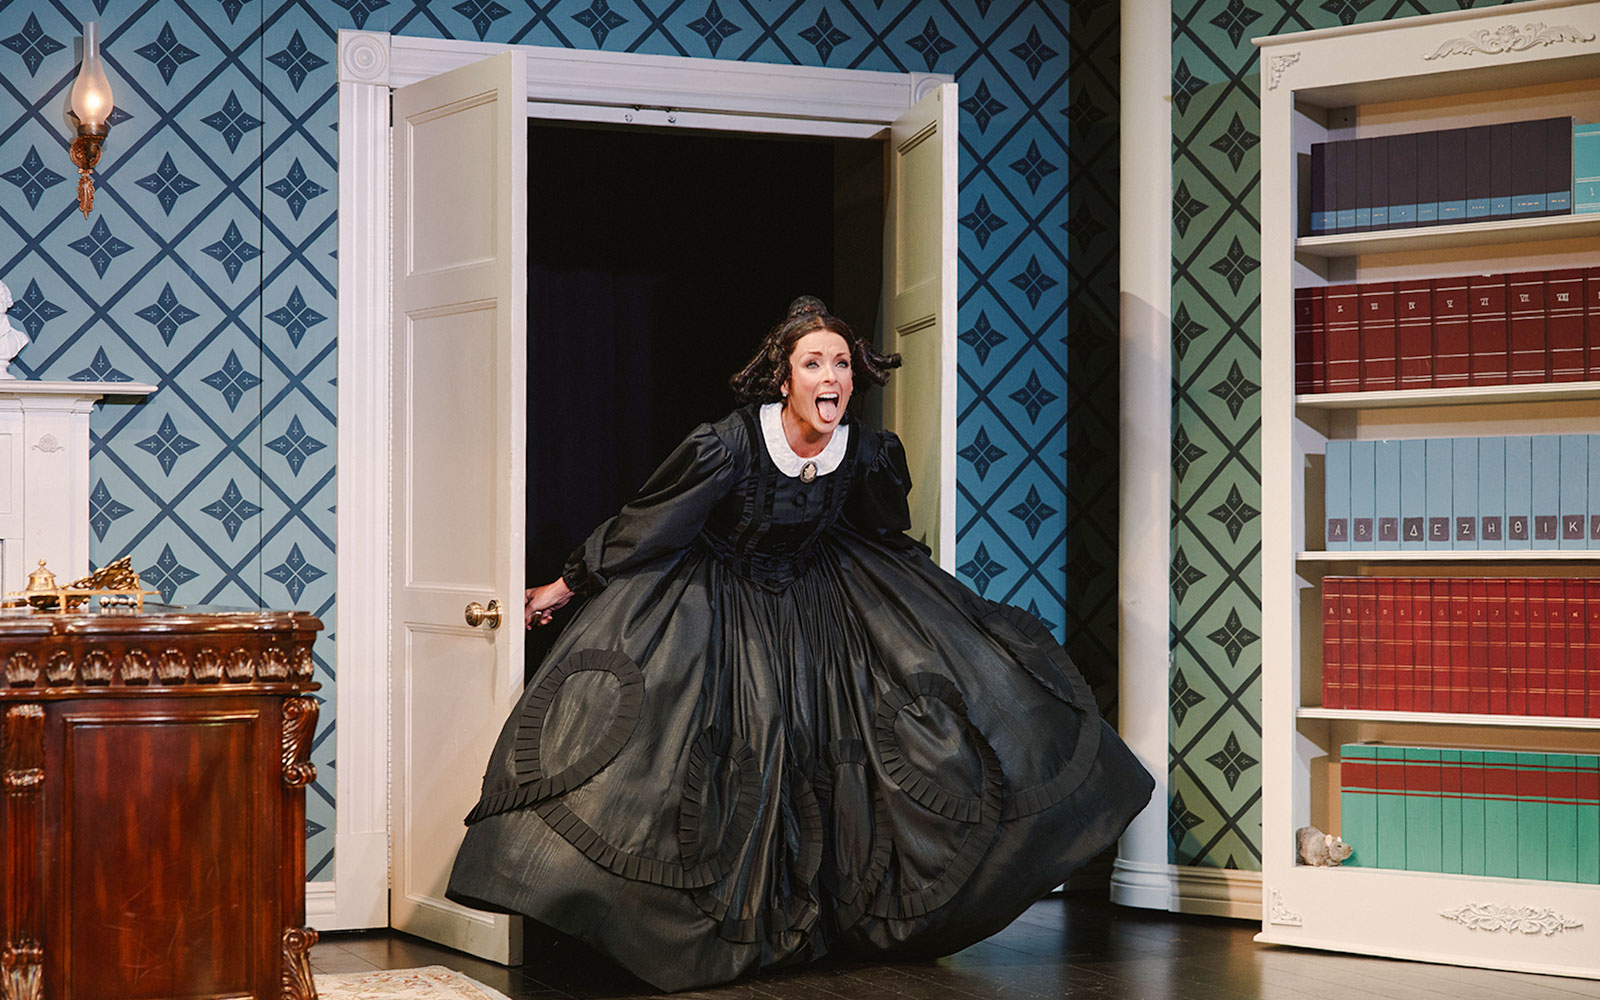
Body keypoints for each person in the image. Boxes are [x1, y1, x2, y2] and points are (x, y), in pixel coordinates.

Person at [447, 296, 1154, 991]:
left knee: (850, 755)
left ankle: (826, 923)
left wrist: (939, 610)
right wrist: (565, 585)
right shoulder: (728, 444)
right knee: (730, 752)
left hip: (818, 609)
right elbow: (649, 523)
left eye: (841, 363)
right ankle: (713, 926)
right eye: (813, 363)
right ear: (784, 378)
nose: (831, 377)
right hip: (726, 601)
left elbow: (882, 531)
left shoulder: (867, 451)